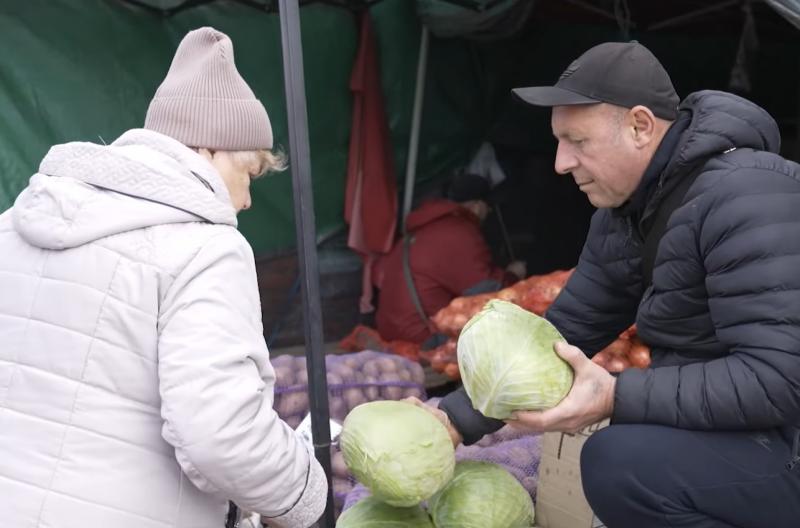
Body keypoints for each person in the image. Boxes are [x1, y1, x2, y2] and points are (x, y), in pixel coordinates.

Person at [434, 41, 800, 528]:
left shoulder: (748, 197)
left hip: (786, 436)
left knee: (622, 463)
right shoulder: (628, 210)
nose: (561, 163)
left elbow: (778, 379)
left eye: (577, 141)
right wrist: (452, 420)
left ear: (640, 127)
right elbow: (564, 332)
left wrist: (615, 396)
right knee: (625, 449)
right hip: (746, 430)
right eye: (558, 142)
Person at [0, 27, 326, 528]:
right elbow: (222, 434)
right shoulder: (204, 247)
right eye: (250, 175)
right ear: (209, 151)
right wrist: (306, 496)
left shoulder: (14, 223)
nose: (247, 200)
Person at [373, 172, 526, 346]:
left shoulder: (420, 230)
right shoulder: (461, 233)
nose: (489, 212)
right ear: (476, 206)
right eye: (487, 206)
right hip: (423, 337)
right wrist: (513, 275)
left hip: (391, 332)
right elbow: (488, 292)